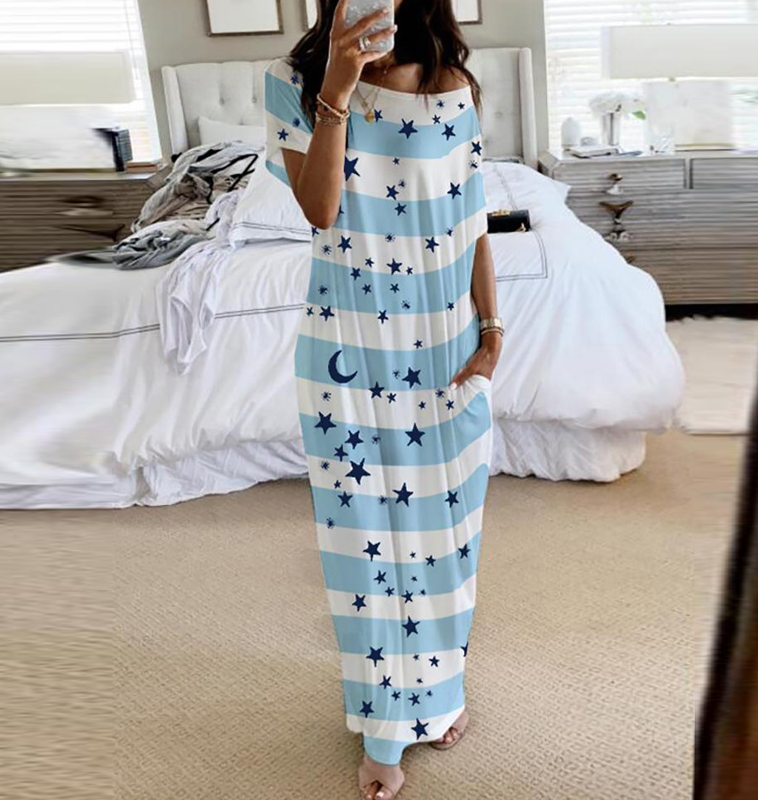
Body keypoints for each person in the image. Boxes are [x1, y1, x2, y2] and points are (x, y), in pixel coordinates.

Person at [264, 1, 502, 797]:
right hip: (349, 350)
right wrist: (337, 83)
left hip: (445, 350)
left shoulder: (452, 83)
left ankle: (438, 696)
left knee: (447, 544)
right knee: (366, 549)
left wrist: (493, 332)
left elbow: (472, 222)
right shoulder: (291, 80)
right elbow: (320, 209)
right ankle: (382, 729)